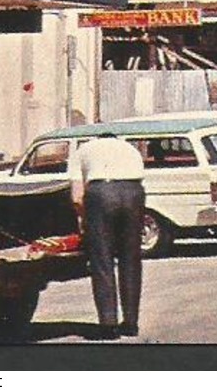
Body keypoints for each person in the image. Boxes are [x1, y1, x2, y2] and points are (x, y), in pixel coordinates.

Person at [71, 133, 146, 340]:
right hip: (133, 192)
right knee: (131, 259)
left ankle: (108, 324)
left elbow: (77, 196)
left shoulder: (83, 151)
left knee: (102, 261)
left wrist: (85, 219)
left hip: (101, 192)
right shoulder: (131, 149)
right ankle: (131, 323)